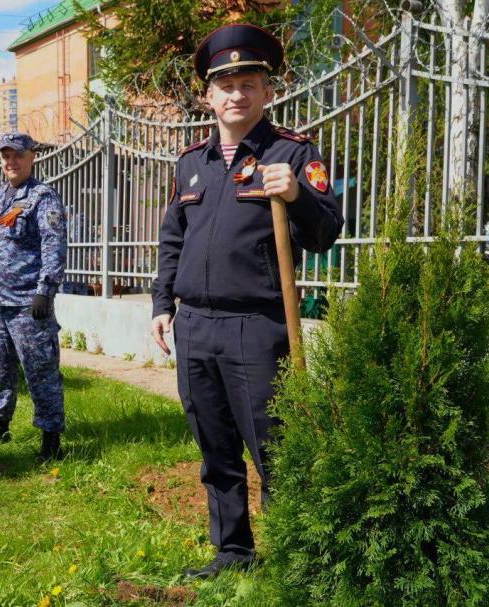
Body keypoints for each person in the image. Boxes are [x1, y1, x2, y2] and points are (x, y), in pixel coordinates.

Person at [151, 23, 344, 579]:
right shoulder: (191, 163)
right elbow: (172, 240)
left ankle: (293, 548)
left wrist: (297, 194)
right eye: (225, 84)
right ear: (208, 96)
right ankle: (233, 550)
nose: (237, 93)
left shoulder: (292, 152)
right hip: (197, 327)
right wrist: (162, 305)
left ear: (267, 91)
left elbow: (325, 232)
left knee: (274, 444)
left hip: (258, 327)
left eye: (249, 82)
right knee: (215, 446)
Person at [0, 132, 68, 462]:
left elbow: (53, 247)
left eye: (17, 156)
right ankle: (0, 425)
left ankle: (51, 439)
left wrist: (45, 291)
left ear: (31, 157)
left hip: (28, 305)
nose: (11, 162)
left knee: (40, 372)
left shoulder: (42, 197)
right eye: (6, 156)